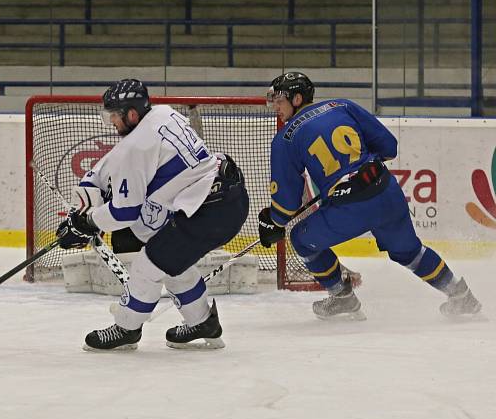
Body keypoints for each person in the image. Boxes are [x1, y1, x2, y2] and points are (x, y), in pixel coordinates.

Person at [257, 71, 481, 320]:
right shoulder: (342, 105)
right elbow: (389, 147)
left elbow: (287, 205)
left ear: (297, 98)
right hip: (386, 190)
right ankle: (461, 296)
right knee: (410, 252)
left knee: (301, 238)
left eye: (280, 100)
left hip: (351, 208)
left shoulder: (285, 138)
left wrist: (274, 221)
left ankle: (342, 298)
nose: (275, 106)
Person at [56, 78, 250, 350]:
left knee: (147, 266)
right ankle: (203, 322)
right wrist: (94, 181)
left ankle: (126, 329)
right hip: (228, 198)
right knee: (170, 262)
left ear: (131, 114)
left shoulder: (135, 147)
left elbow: (126, 212)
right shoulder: (162, 112)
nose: (110, 120)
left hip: (209, 212)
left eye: (114, 115)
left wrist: (86, 222)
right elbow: (119, 158)